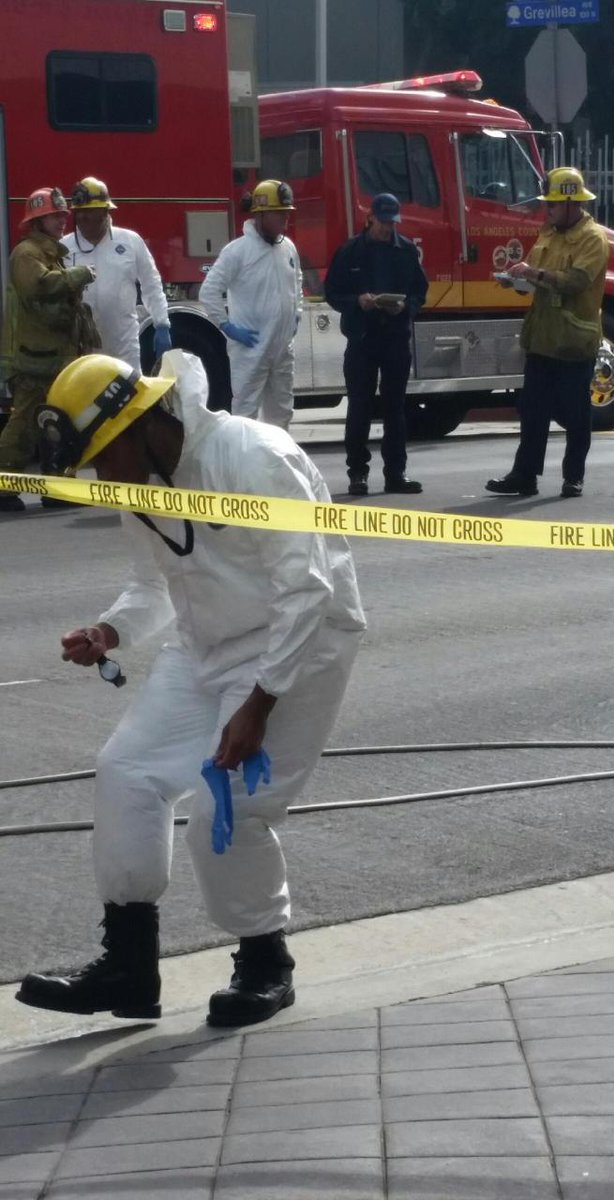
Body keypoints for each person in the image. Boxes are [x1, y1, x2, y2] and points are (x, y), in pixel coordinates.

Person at [16, 349, 365, 1028]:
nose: (99, 474)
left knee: (226, 808)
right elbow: (154, 585)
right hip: (204, 647)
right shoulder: (142, 476)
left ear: (144, 422)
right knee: (126, 770)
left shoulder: (254, 457)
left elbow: (306, 588)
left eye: (102, 455)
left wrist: (260, 703)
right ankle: (128, 969)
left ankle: (266, 962)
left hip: (296, 642)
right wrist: (111, 631)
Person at [486, 167, 610, 499]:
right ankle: (524, 475)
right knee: (532, 410)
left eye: (553, 204)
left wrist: (535, 273)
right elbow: (536, 277)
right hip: (542, 338)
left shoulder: (593, 238)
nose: (548, 209)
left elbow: (577, 281)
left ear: (571, 202)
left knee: (576, 414)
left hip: (573, 341)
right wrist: (516, 280)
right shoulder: (549, 233)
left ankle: (573, 477)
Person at [0, 187, 98, 513]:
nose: (61, 221)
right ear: (37, 221)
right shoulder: (27, 255)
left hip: (56, 358)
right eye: (54, 217)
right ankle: (3, 486)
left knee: (58, 425)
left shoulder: (50, 253)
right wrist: (77, 276)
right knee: (25, 426)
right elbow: (40, 286)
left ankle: (57, 488)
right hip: (35, 362)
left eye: (61, 216)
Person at [324, 192, 428, 497]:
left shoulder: (406, 250)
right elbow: (332, 292)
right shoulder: (351, 251)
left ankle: (396, 473)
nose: (386, 228)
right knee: (360, 407)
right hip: (362, 338)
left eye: (391, 223)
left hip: (395, 338)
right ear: (371, 218)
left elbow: (420, 291)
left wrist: (405, 307)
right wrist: (357, 302)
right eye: (382, 222)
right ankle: (358, 473)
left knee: (395, 408)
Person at [199, 179, 303, 430]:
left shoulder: (287, 248)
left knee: (282, 414)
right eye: (279, 214)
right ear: (261, 214)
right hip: (250, 349)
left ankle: (276, 466)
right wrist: (227, 326)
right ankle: (244, 467)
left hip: (281, 349)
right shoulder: (238, 251)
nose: (284, 220)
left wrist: (296, 313)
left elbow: (296, 280)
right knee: (245, 416)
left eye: (286, 214)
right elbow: (209, 291)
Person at [63, 177, 172, 372]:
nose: (82, 218)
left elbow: (151, 284)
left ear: (105, 212)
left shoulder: (129, 242)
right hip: (81, 350)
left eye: (89, 212)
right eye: (79, 212)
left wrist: (162, 324)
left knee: (129, 401)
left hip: (124, 348)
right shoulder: (64, 248)